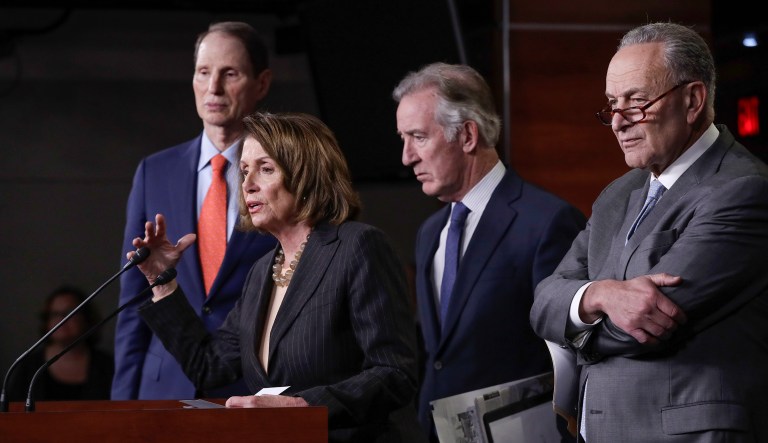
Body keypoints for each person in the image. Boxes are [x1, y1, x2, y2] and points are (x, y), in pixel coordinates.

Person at [530, 22, 768, 442]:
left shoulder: (743, 189)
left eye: (636, 103)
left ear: (692, 100)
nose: (618, 122)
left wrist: (573, 322)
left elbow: (638, 329)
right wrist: (599, 294)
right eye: (611, 105)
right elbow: (544, 300)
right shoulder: (617, 195)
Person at [124, 111, 426, 443]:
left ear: (307, 177)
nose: (248, 184)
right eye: (244, 171)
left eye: (266, 169)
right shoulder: (261, 272)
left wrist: (303, 406)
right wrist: (161, 280)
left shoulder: (357, 247)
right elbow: (209, 366)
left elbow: (394, 373)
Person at [393, 62, 586, 441]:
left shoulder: (547, 221)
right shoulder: (429, 232)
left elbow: (569, 355)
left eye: (417, 136)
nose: (406, 157)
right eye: (403, 138)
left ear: (467, 135)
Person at [112, 21, 277, 400]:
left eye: (230, 73)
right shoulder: (155, 170)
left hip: (249, 386)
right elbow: (133, 294)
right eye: (203, 73)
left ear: (262, 84)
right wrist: (120, 402)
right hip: (163, 385)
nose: (213, 88)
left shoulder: (285, 173)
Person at [7, 285, 114, 402]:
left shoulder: (106, 366)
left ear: (86, 318)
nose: (62, 320)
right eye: (55, 314)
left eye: (69, 313)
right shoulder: (29, 367)